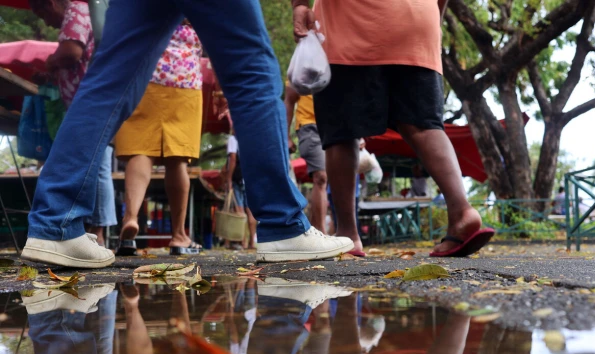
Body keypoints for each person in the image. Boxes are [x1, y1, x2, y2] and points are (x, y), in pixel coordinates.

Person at [21, 0, 354, 269]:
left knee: (110, 78)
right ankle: (283, 224)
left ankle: (55, 222)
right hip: (184, 87)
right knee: (251, 69)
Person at [292, 0, 494, 258]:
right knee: (423, 125)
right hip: (417, 23)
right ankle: (463, 212)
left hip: (349, 25)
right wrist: (434, 16)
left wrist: (299, 4)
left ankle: (348, 236)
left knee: (343, 133)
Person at [29, 0, 117, 247]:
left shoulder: (76, 9)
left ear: (52, 3)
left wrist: (52, 60)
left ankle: (96, 232)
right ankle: (92, 230)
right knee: (95, 165)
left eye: (42, 12)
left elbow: (72, 52)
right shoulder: (81, 12)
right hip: (87, 99)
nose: (45, 21)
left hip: (88, 100)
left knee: (96, 167)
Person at [115, 22, 204, 256]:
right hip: (184, 79)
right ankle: (178, 236)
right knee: (177, 159)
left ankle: (130, 218)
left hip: (145, 73)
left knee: (140, 149)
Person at [284, 83, 328, 233]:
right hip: (309, 126)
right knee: (321, 176)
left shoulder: (341, 60)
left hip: (335, 124)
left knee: (335, 181)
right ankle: (322, 232)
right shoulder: (301, 61)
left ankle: (317, 232)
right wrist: (286, 136)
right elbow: (289, 99)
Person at [225, 128, 258, 250]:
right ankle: (251, 243)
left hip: (237, 179)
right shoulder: (249, 140)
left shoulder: (233, 139)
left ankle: (242, 242)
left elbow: (233, 159)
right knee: (250, 212)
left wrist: (228, 179)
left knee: (239, 212)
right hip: (249, 179)